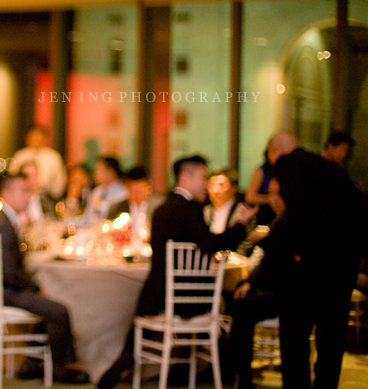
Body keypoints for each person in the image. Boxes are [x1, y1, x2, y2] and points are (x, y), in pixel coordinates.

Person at [98, 155, 257, 389]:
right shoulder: (189, 209)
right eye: (203, 177)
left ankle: (138, 369)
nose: (206, 184)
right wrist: (242, 225)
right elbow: (212, 244)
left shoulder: (161, 209)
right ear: (186, 177)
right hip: (186, 301)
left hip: (154, 297)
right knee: (228, 304)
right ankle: (226, 376)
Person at [269, 131, 365, 389]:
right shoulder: (333, 171)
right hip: (342, 268)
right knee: (331, 338)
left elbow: (298, 204)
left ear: (274, 152)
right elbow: (361, 209)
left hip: (310, 266)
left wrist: (297, 248)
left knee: (294, 336)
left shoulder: (287, 162)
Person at [0, 172, 90, 384]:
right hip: (4, 293)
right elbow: (10, 274)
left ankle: (32, 364)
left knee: (46, 306)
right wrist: (34, 287)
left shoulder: (2, 220)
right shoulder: (3, 225)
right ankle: (60, 368)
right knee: (59, 311)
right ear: (7, 193)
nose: (29, 196)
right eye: (23, 191)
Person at [227, 177, 290, 389]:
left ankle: (241, 375)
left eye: (278, 194)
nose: (273, 200)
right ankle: (235, 371)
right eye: (270, 194)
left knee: (242, 308)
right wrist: (248, 283)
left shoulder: (293, 222)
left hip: (286, 293)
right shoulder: (278, 220)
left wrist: (262, 241)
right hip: (269, 289)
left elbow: (281, 259)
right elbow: (267, 262)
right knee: (235, 298)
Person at [11, 125, 67, 201]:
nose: (37, 139)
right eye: (34, 136)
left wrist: (54, 198)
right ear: (28, 138)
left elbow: (60, 181)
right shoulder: (20, 156)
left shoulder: (53, 157)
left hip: (47, 197)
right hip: (23, 196)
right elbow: (12, 176)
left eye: (40, 137)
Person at [106, 165, 163, 238]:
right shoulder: (117, 208)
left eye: (140, 191)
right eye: (132, 191)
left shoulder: (158, 206)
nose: (137, 195)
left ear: (148, 187)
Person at [82, 156, 127, 222]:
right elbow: (87, 216)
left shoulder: (123, 193)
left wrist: (101, 205)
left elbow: (115, 214)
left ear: (110, 172)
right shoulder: (97, 191)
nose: (96, 173)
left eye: (99, 170)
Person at [244, 142, 276, 225]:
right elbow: (250, 197)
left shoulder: (284, 171)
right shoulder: (261, 171)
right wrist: (270, 199)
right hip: (264, 214)